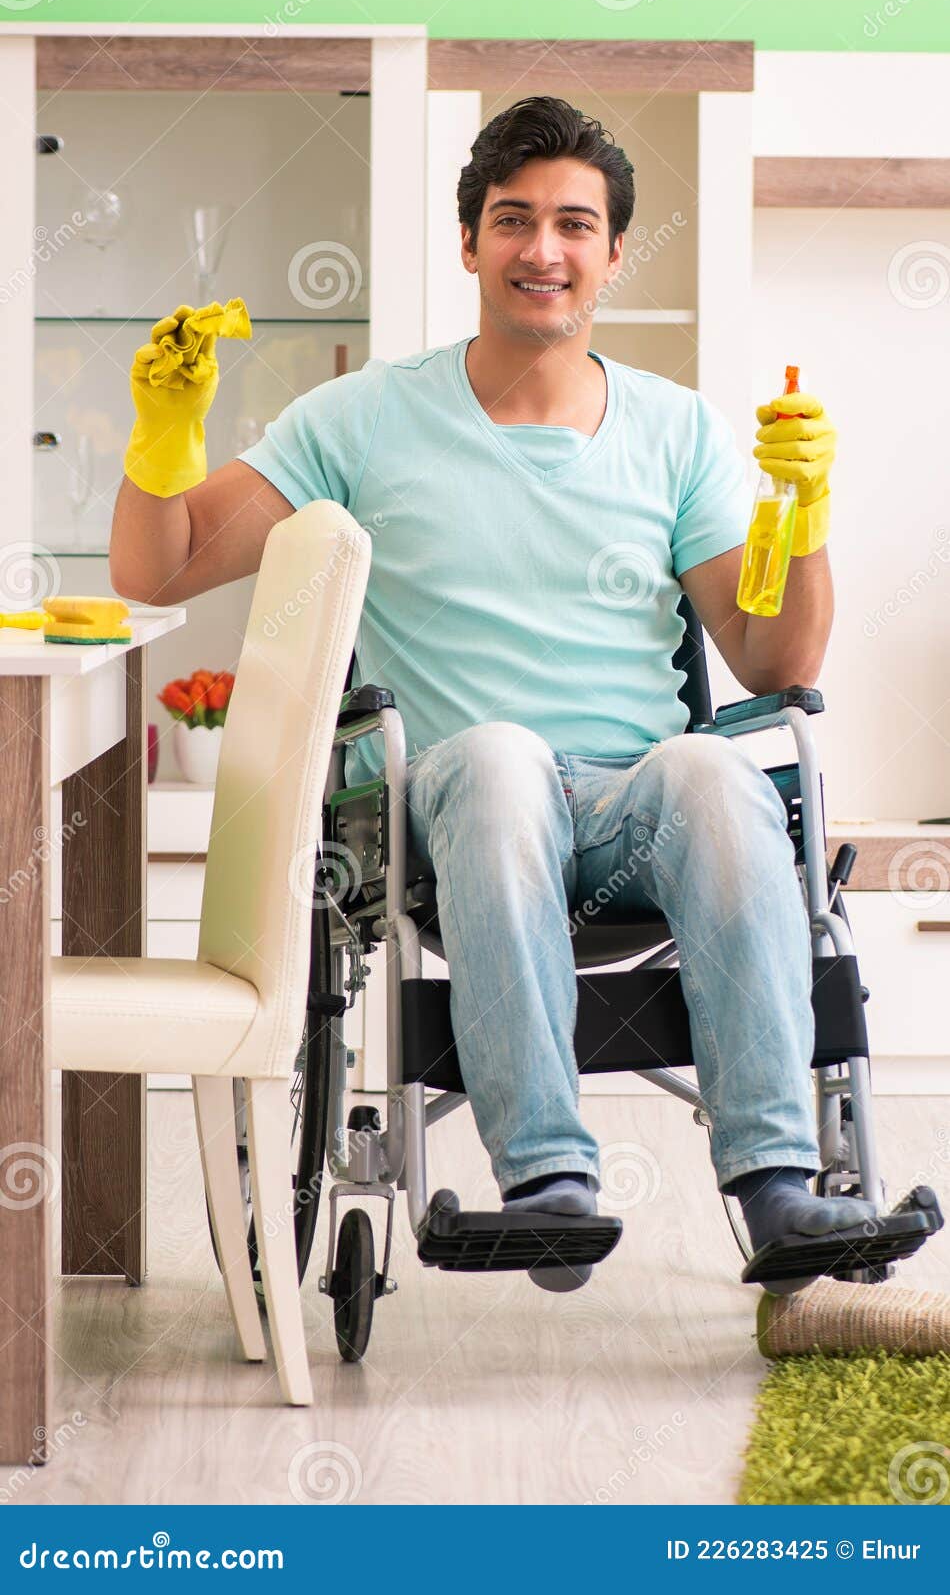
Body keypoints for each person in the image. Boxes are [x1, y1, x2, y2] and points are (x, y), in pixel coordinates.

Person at [111, 94, 874, 1294]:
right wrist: (163, 438)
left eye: (574, 224)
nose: (542, 248)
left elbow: (775, 668)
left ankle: (777, 1184)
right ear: (468, 243)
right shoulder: (361, 419)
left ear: (614, 253)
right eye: (512, 220)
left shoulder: (676, 434)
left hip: (633, 810)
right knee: (505, 755)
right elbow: (158, 565)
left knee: (715, 767)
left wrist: (806, 521)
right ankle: (546, 1180)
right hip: (458, 799)